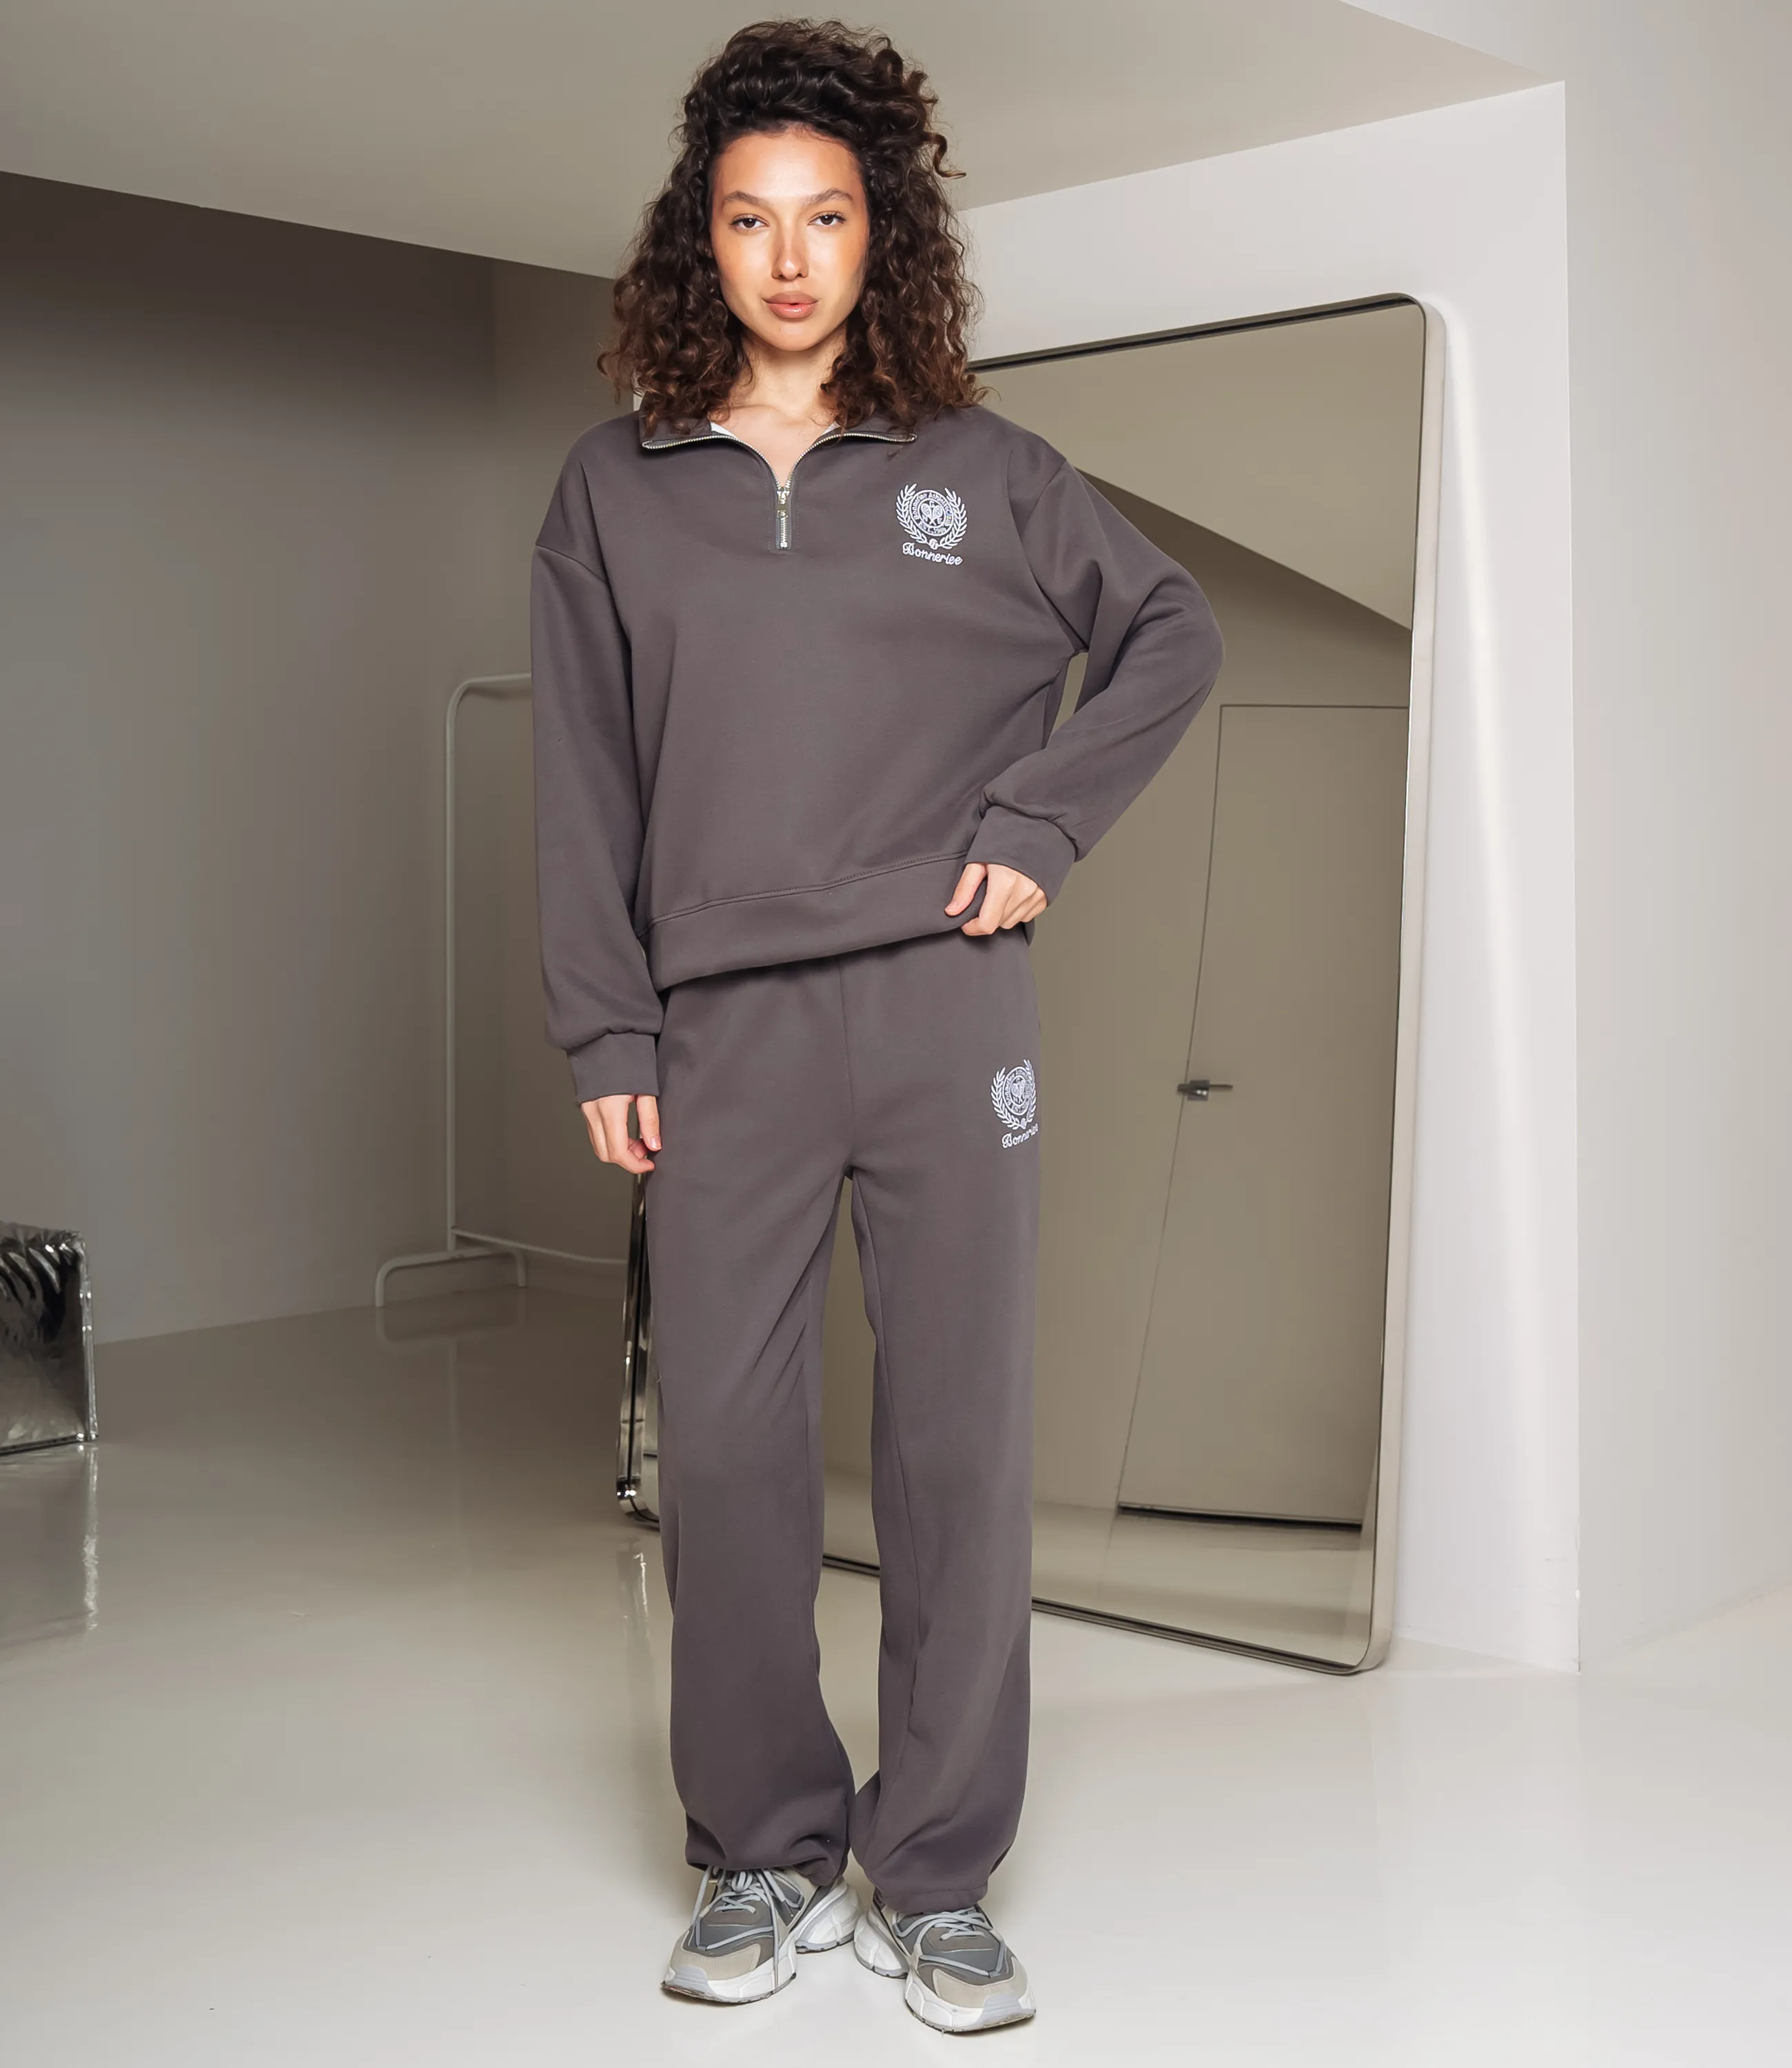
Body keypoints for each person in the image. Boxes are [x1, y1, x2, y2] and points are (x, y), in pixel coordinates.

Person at [530, 18, 1223, 2036]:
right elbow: (582, 776)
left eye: (826, 217)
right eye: (750, 219)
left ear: (881, 234)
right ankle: (761, 1848)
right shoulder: (614, 489)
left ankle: (934, 1874)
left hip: (945, 1012)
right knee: (729, 1453)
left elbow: (1172, 631)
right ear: (701, 238)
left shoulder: (990, 474)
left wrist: (1040, 823)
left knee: (953, 1446)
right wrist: (607, 1035)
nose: (788, 258)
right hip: (720, 1037)